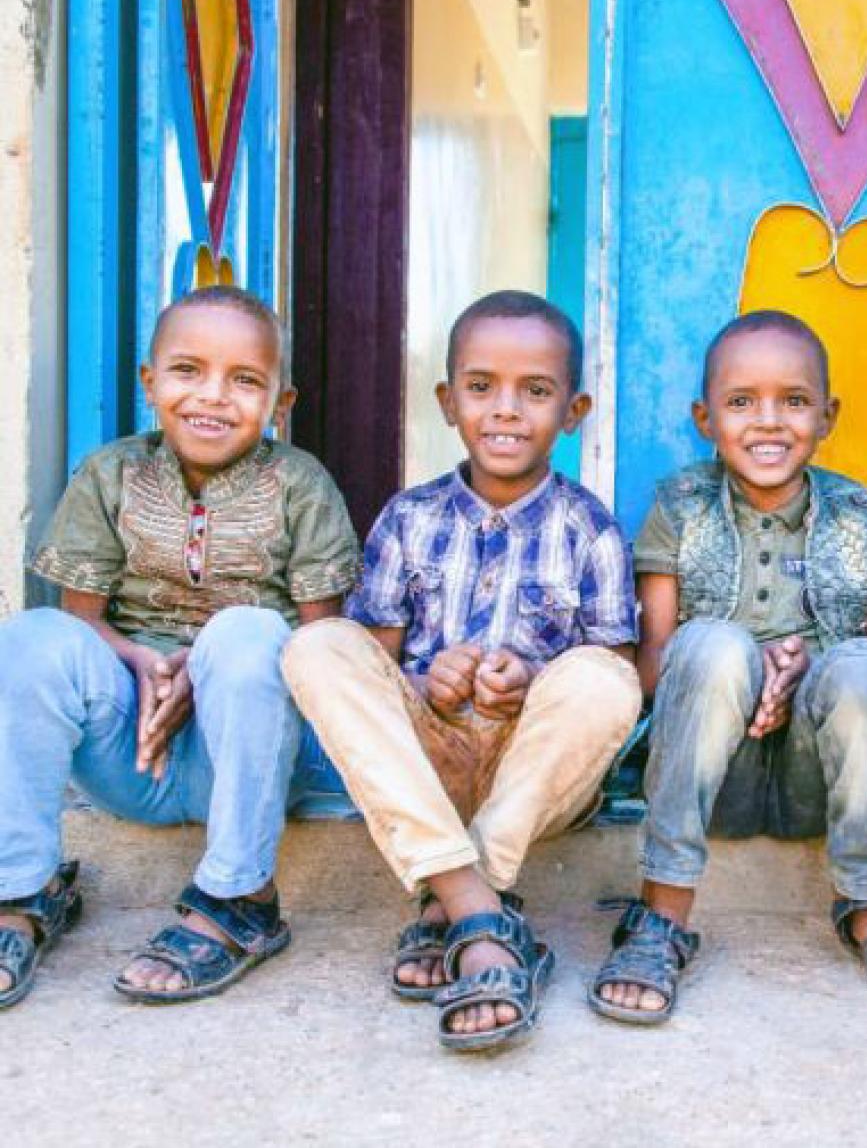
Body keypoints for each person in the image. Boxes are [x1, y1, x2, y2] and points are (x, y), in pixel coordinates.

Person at [282, 291, 641, 1052]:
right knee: (318, 646)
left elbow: (612, 674)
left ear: (572, 410)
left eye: (535, 392)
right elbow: (372, 664)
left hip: (532, 780)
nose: (505, 411)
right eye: (481, 388)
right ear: (448, 402)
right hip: (429, 762)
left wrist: (533, 679)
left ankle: (451, 902)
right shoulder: (409, 517)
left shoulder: (592, 530)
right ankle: (478, 906)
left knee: (608, 679)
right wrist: (424, 681)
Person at [0, 285, 359, 1009]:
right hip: (134, 747)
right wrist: (138, 659)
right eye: (188, 370)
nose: (213, 397)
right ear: (150, 382)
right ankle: (20, 890)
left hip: (252, 756)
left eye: (245, 381)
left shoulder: (300, 485)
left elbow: (324, 647)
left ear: (280, 404)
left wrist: (209, 663)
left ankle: (239, 898)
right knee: (35, 638)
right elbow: (81, 622)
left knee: (248, 631)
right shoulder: (111, 474)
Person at [590, 310, 867, 1025]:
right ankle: (662, 913)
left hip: (821, 778)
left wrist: (809, 660)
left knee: (865, 668)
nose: (768, 422)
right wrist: (750, 664)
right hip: (713, 777)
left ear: (827, 416)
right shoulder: (679, 508)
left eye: (794, 401)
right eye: (741, 402)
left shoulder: (863, 516)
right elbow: (652, 667)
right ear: (704, 417)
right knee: (710, 646)